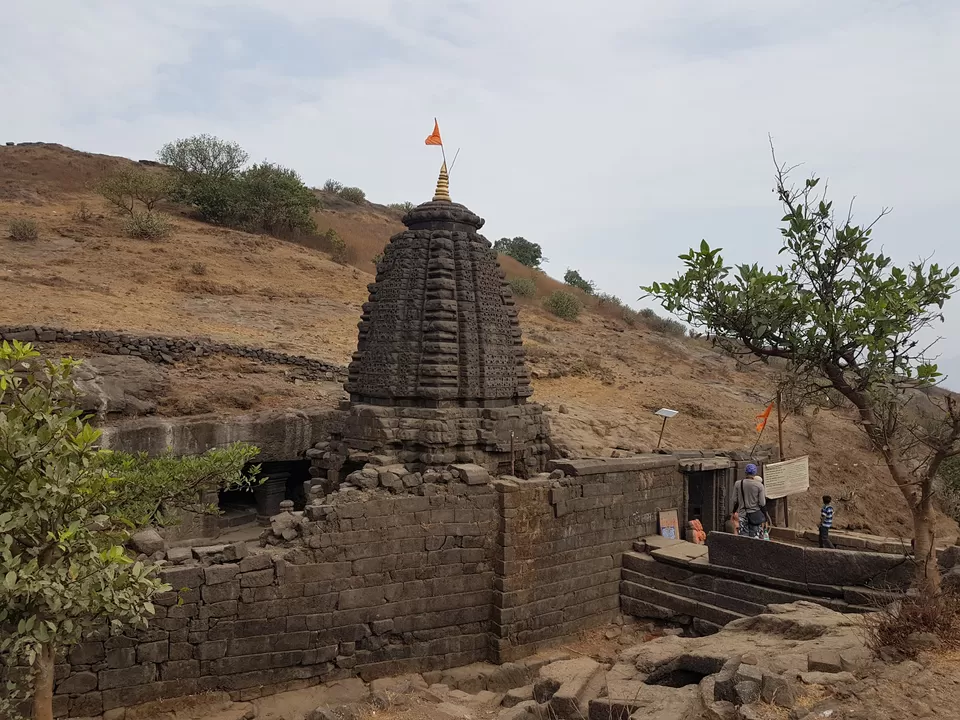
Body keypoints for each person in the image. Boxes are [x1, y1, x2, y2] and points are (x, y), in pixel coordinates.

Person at [732, 464, 769, 538]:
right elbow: (762, 503)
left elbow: (734, 500)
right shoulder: (759, 486)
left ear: (745, 472)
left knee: (743, 537)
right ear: (755, 473)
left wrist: (733, 512)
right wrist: (765, 517)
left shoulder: (738, 483)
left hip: (742, 515)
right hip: (755, 515)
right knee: (755, 538)